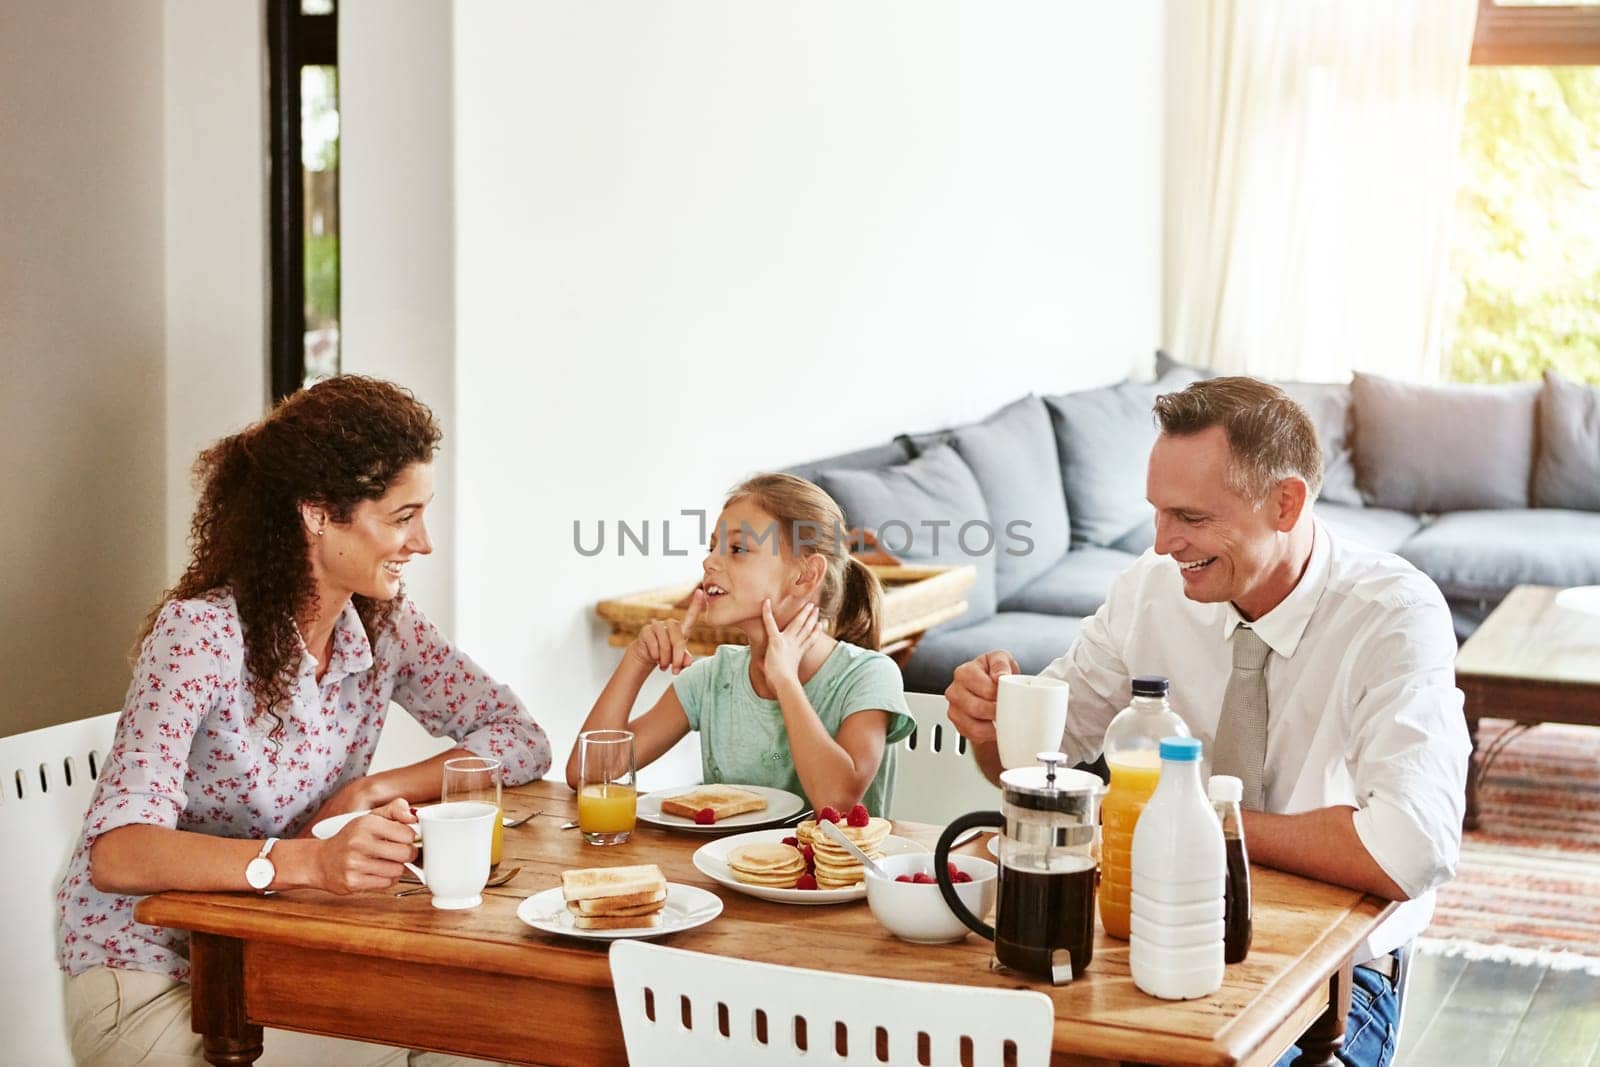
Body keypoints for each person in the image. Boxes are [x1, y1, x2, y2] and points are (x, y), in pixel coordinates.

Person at [946, 376, 1468, 1067]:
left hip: (1338, 980)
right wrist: (992, 727)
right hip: (1148, 938)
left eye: (1190, 518)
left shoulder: (1395, 615)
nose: (1163, 544)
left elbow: (1409, 848)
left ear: (1286, 503)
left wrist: (1202, 825)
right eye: (1157, 513)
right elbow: (1041, 761)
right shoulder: (1150, 590)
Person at [56, 376, 551, 1067]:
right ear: (319, 513)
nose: (424, 542)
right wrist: (306, 861)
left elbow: (520, 738)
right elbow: (119, 852)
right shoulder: (201, 636)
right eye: (402, 517)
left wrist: (376, 790)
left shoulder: (384, 627)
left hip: (275, 959)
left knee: (483, 1037)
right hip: (149, 981)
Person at [569, 473, 914, 817]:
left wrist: (786, 681)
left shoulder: (869, 676)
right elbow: (589, 776)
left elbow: (836, 800)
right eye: (712, 547)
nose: (708, 562)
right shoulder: (712, 679)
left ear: (805, 576)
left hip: (834, 872)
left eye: (737, 549)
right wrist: (637, 659)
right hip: (724, 871)